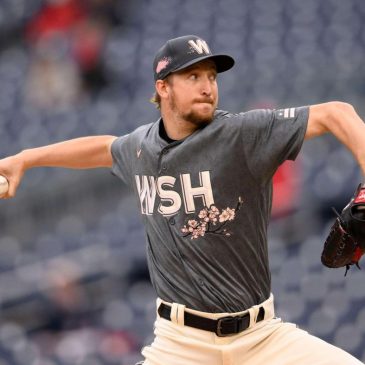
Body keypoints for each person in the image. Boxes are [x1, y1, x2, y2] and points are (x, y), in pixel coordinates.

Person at [1, 35, 365, 365]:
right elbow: (103, 148)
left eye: (212, 77)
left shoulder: (241, 134)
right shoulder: (140, 148)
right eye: (193, 77)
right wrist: (27, 158)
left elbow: (338, 113)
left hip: (262, 338)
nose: (207, 87)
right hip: (180, 346)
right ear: (163, 87)